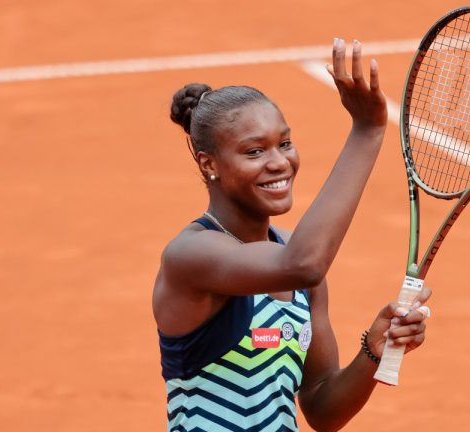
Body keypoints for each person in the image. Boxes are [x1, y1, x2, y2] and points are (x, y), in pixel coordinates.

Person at [152, 38, 432, 432]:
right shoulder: (192, 256)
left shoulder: (292, 259)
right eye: (254, 152)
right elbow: (304, 264)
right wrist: (368, 131)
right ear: (209, 163)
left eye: (284, 144)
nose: (279, 162)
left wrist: (374, 349)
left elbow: (322, 407)